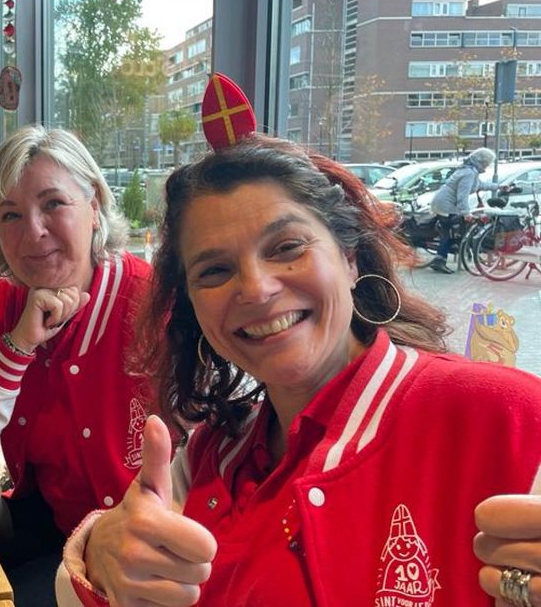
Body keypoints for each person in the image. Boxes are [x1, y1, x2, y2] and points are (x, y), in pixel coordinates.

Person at [56, 134, 541, 606]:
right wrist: (98, 553)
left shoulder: (504, 415)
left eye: (286, 247)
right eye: (214, 271)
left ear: (350, 259)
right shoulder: (211, 454)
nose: (256, 288)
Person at [0, 124, 153, 604]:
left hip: (140, 549)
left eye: (53, 203)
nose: (34, 232)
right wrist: (17, 347)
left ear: (94, 205)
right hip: (44, 521)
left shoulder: (157, 302)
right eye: (10, 215)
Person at [428, 147, 501, 274]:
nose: (488, 166)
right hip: (446, 205)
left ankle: (445, 256)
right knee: (450, 233)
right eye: (488, 163)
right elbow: (462, 196)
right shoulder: (469, 173)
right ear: (483, 162)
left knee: (452, 231)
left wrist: (498, 187)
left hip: (444, 203)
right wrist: (466, 213)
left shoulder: (470, 170)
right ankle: (439, 260)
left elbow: (480, 185)